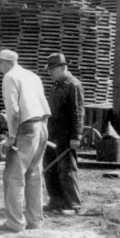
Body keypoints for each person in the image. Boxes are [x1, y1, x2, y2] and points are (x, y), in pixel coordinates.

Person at [0, 49, 51, 233]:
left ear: (4, 62)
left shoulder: (10, 77)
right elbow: (44, 106)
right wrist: (40, 128)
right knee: (33, 175)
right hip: (41, 125)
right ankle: (35, 221)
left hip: (25, 128)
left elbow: (13, 111)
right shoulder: (32, 76)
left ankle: (15, 223)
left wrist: (11, 137)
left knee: (13, 177)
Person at [43, 52, 84, 214]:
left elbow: (78, 112)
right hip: (51, 135)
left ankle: (73, 204)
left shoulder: (73, 85)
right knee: (50, 169)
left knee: (66, 170)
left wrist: (76, 136)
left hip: (66, 136)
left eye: (52, 69)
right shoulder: (56, 85)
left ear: (62, 67)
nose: (49, 72)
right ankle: (56, 201)